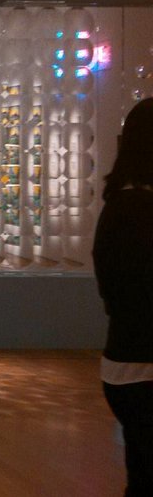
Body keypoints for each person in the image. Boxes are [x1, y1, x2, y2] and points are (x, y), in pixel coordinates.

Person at [95, 97, 153, 496]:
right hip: (143, 365)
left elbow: (112, 291)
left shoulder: (119, 206)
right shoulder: (137, 211)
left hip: (125, 363)